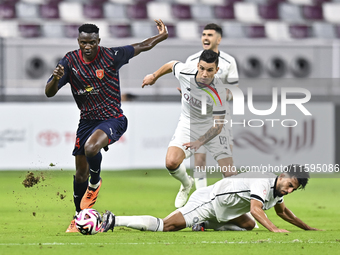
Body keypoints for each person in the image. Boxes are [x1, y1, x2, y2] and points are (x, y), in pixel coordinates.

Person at [45, 20, 168, 232]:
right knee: (79, 173)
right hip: (86, 121)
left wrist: (162, 36)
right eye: (84, 42)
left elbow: (142, 46)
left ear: (98, 41)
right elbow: (49, 92)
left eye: (92, 42)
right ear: (79, 42)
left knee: (91, 148)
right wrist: (55, 80)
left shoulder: (111, 56)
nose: (88, 46)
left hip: (113, 118)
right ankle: (79, 216)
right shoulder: (70, 61)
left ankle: (95, 182)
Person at [142, 50, 236, 209]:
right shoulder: (186, 71)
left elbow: (218, 126)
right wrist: (153, 76)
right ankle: (186, 184)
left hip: (212, 128)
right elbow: (171, 64)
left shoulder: (219, 91)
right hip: (188, 124)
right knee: (171, 163)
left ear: (217, 70)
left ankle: (242, 212)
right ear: (198, 65)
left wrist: (199, 142)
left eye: (210, 70)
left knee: (229, 173)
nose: (205, 74)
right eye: (202, 68)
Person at [101, 165, 320, 233]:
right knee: (166, 226)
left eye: (294, 189)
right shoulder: (263, 181)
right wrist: (273, 229)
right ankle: (114, 220)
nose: (289, 190)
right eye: (290, 185)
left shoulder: (277, 190)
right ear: (282, 176)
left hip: (226, 210)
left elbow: (283, 212)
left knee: (250, 225)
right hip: (208, 202)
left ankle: (204, 226)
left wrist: (308, 228)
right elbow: (256, 208)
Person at [185, 23, 239, 190]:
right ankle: (200, 198)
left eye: (210, 34)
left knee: (227, 160)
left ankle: (232, 197)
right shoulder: (192, 60)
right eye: (203, 34)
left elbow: (234, 89)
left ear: (219, 39)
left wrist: (220, 96)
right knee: (199, 158)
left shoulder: (229, 61)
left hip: (221, 115)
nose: (205, 37)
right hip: (199, 116)